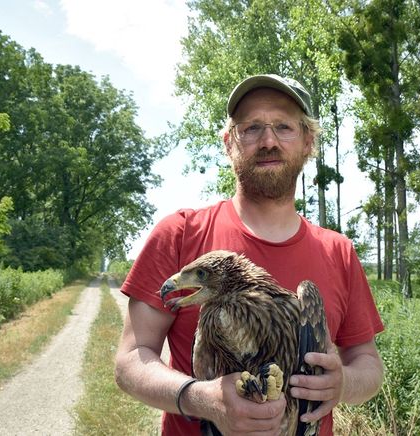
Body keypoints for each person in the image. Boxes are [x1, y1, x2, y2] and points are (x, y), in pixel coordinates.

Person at [114, 74, 384, 435]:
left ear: (308, 141)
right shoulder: (179, 234)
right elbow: (131, 361)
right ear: (229, 143)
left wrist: (343, 383)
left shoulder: (339, 251)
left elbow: (367, 364)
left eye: (284, 127)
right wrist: (200, 398)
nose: (268, 141)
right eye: (252, 127)